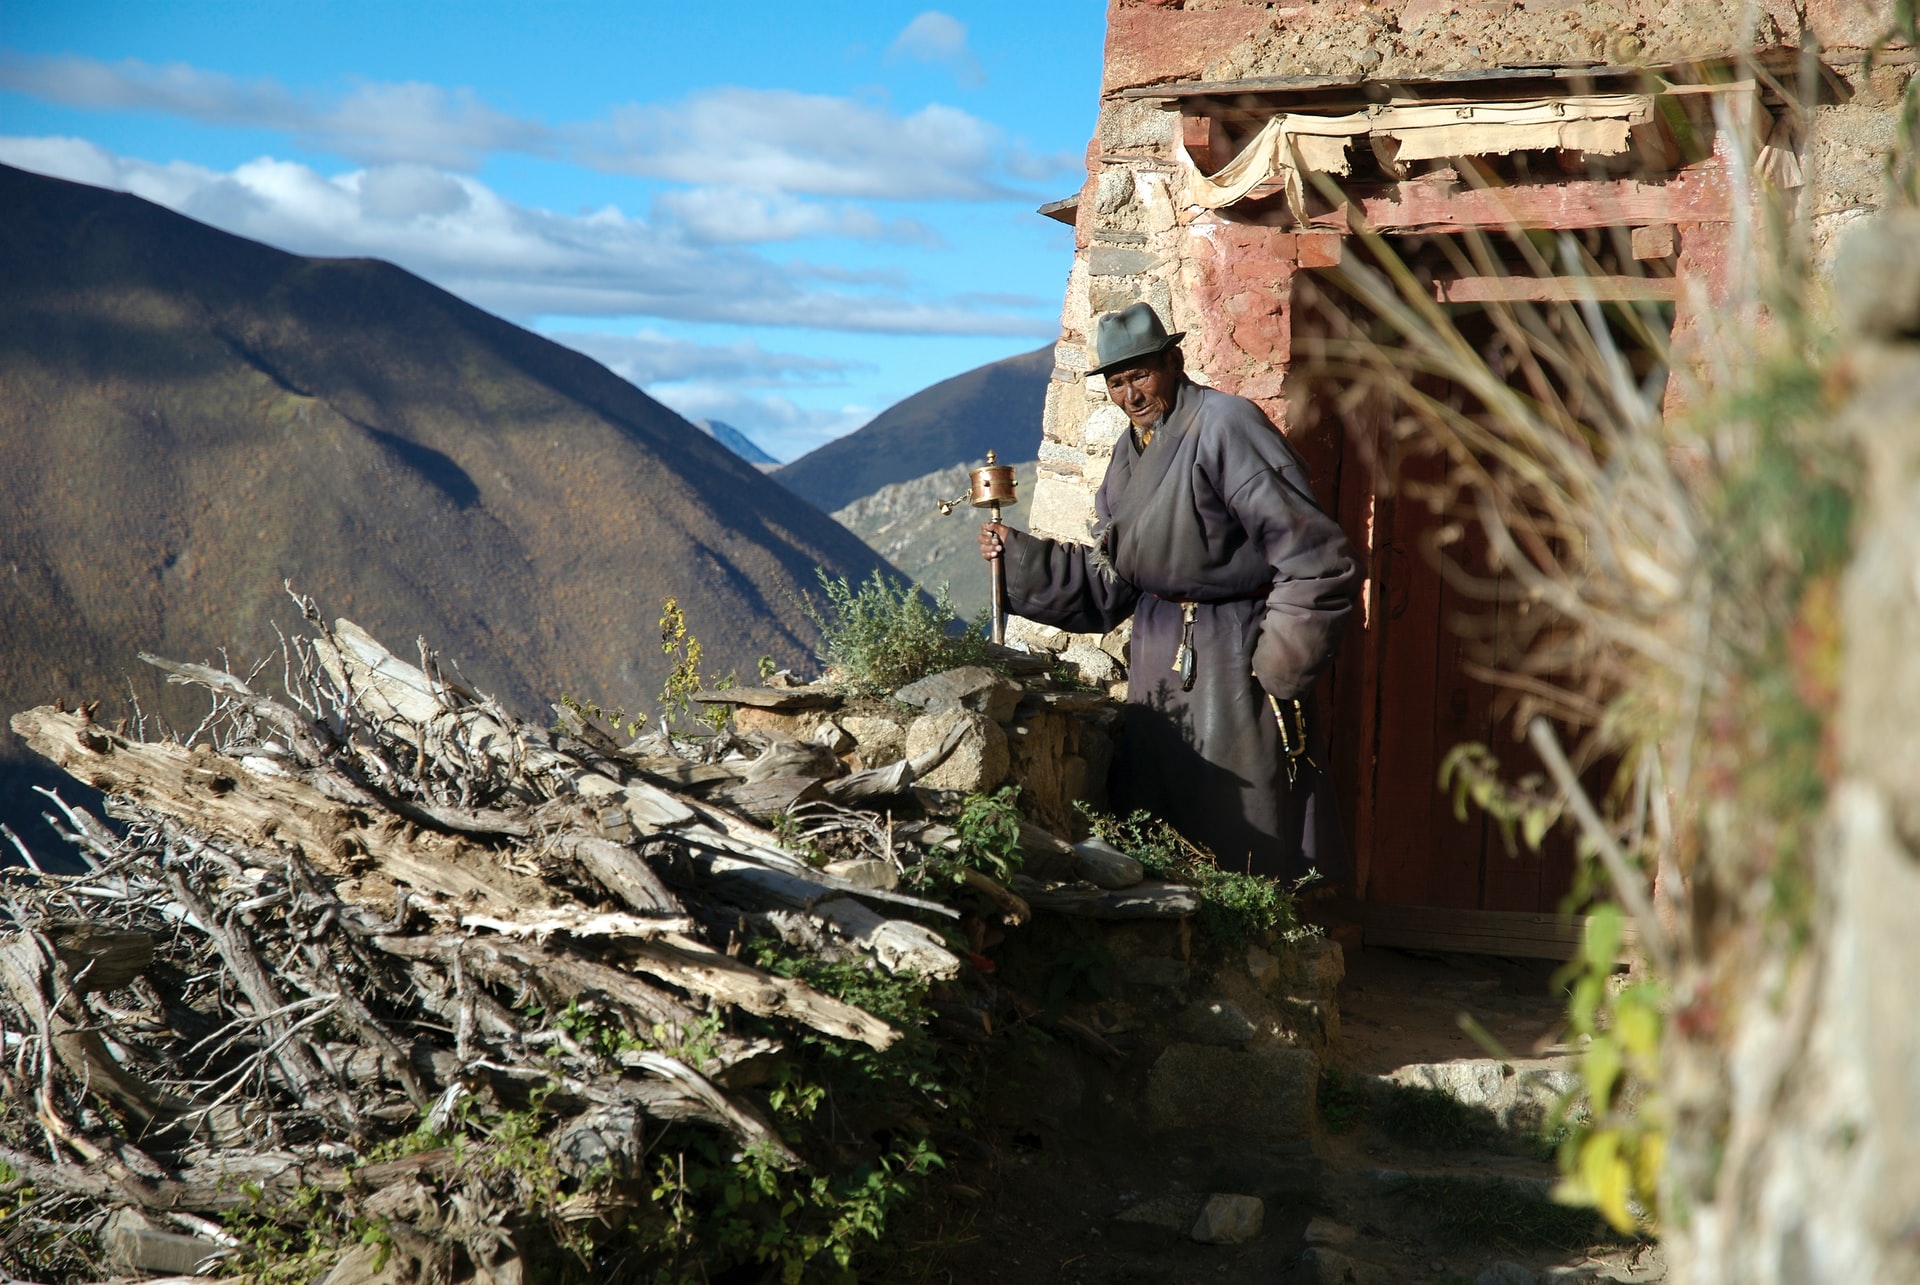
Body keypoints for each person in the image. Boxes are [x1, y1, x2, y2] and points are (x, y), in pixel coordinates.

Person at [979, 303, 1360, 879]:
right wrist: (1020, 559)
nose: (1130, 394)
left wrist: (1276, 667)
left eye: (1140, 375)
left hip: (1235, 652)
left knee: (1244, 832)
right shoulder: (1129, 451)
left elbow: (1315, 558)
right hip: (1158, 656)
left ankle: (1261, 949)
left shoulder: (1228, 425)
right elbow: (1113, 580)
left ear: (1174, 361)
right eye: (1116, 381)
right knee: (1159, 833)